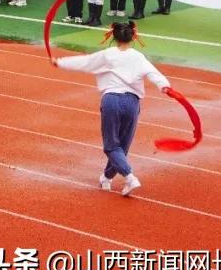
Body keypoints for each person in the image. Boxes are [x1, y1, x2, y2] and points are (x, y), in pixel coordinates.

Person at [54, 21, 171, 197]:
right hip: (132, 103)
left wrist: (60, 62)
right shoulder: (138, 56)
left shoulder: (107, 55)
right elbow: (153, 73)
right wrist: (164, 86)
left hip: (111, 101)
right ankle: (107, 178)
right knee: (122, 146)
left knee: (111, 146)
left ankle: (130, 177)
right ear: (133, 37)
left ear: (114, 37)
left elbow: (85, 62)